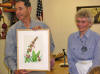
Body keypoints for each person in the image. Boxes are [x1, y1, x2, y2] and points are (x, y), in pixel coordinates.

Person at [4, 0, 55, 74]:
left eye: (20, 9)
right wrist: (15, 70)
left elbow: (51, 48)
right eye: (16, 9)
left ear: (29, 9)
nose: (17, 12)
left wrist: (42, 36)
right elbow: (9, 56)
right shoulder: (12, 31)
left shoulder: (43, 26)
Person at [67, 9, 100, 74]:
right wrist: (75, 72)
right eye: (78, 21)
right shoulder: (71, 37)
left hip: (92, 70)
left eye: (83, 22)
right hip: (75, 70)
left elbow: (97, 59)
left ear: (90, 23)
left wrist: (90, 72)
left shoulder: (97, 37)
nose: (80, 24)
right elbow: (70, 59)